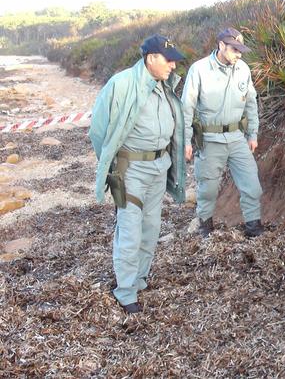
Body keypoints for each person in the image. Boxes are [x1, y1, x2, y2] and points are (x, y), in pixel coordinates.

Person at [89, 35, 187, 314]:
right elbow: (97, 130)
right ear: (151, 58)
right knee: (130, 230)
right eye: (168, 59)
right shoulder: (121, 84)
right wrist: (110, 162)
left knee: (151, 228)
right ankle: (126, 291)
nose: (173, 64)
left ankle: (139, 278)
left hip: (159, 166)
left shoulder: (165, 85)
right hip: (131, 169)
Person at [181, 27, 263, 238]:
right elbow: (186, 107)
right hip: (210, 139)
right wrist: (185, 141)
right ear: (221, 46)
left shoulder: (243, 69)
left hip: (237, 138)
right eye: (234, 49)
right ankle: (205, 228)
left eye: (240, 50)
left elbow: (251, 103)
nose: (239, 54)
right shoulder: (199, 69)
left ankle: (253, 228)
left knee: (252, 185)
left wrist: (252, 134)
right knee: (207, 189)